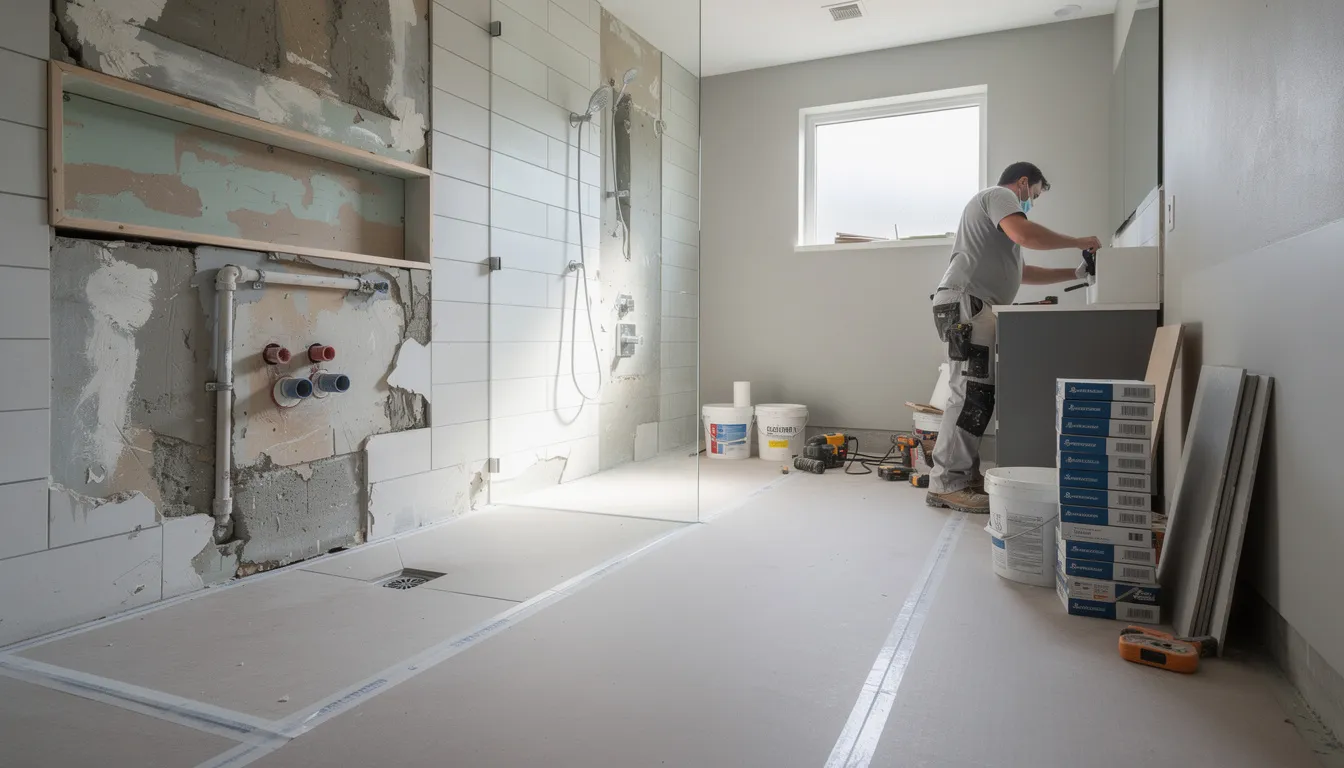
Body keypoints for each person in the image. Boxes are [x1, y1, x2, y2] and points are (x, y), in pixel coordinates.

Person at [925, 162, 1102, 514]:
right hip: (968, 302)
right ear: (1022, 183)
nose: (1030, 203)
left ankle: (962, 475)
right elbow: (1026, 235)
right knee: (970, 394)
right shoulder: (999, 196)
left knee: (977, 395)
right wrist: (1079, 241)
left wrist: (1075, 271)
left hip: (972, 303)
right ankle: (947, 483)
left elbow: (1023, 272)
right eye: (1033, 195)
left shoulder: (1000, 229)